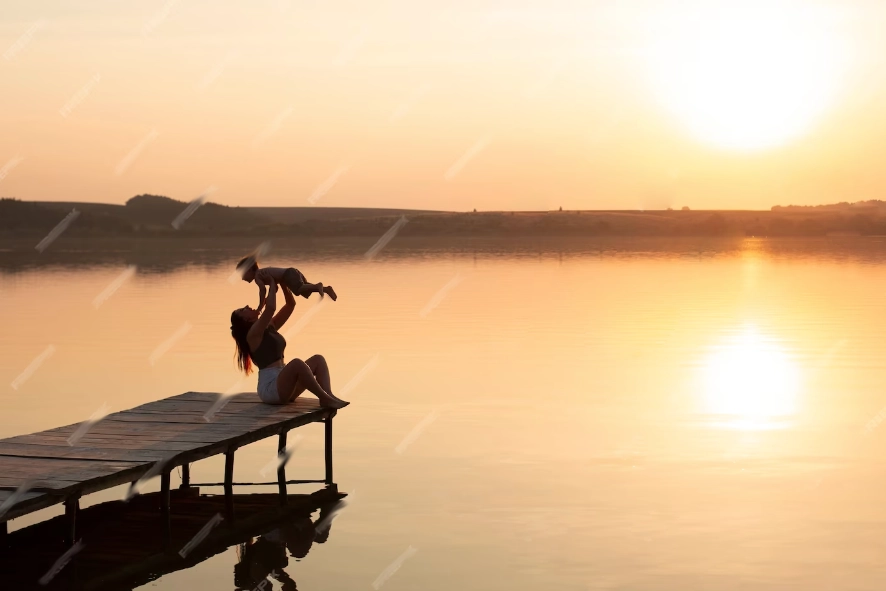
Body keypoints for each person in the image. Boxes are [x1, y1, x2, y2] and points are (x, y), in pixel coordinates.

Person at [230, 277, 349, 408]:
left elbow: (290, 305)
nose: (246, 306)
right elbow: (270, 308)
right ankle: (324, 397)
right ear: (244, 320)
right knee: (297, 364)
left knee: (318, 360)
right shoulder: (252, 335)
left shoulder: (269, 326)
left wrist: (283, 282)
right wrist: (271, 281)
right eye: (242, 310)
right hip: (271, 388)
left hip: (284, 383)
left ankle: (328, 396)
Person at [237, 256, 337, 313]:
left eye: (242, 274)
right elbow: (275, 288)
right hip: (292, 272)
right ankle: (326, 289)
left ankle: (317, 285)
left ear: (249, 270)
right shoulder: (264, 273)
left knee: (298, 290)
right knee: (304, 290)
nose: (242, 278)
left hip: (288, 274)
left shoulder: (258, 276)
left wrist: (260, 307)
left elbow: (262, 290)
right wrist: (268, 299)